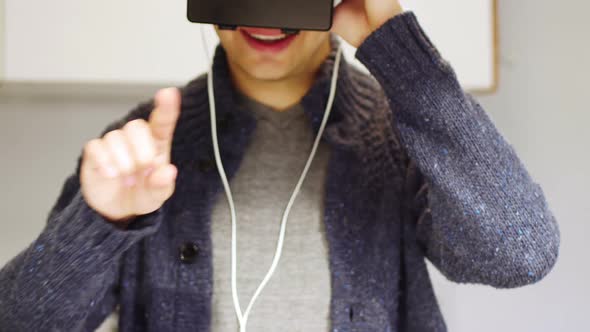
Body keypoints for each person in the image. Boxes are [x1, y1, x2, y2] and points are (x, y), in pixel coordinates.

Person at [0, 1, 560, 331]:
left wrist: (400, 54)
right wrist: (98, 226)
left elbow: (521, 252)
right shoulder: (144, 147)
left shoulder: (397, 137)